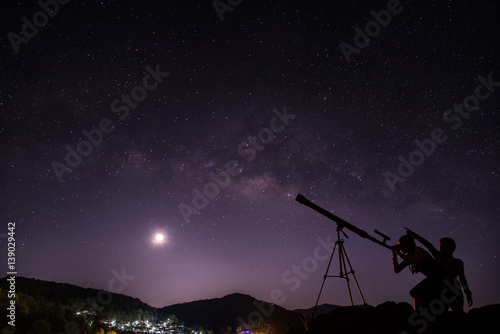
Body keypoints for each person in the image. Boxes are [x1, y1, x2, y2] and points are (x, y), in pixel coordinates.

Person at [405, 228, 473, 310]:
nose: (440, 247)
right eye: (440, 245)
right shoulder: (439, 256)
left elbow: (462, 278)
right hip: (441, 288)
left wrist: (467, 292)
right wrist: (415, 236)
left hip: (453, 287)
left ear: (450, 247)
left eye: (443, 245)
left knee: (457, 309)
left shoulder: (458, 262)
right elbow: (428, 245)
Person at [391, 234, 448, 311]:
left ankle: (417, 314)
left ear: (409, 244)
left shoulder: (419, 251)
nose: (400, 248)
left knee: (417, 292)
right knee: (423, 296)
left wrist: (399, 254)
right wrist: (394, 255)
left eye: (402, 245)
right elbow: (397, 270)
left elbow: (414, 261)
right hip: (434, 279)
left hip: (439, 277)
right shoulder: (409, 256)